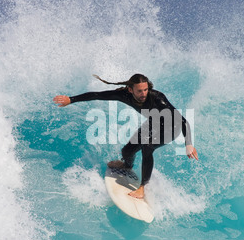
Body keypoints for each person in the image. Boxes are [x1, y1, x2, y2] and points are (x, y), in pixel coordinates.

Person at [53, 74, 198, 199]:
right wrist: (71, 99)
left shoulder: (158, 99)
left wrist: (188, 144)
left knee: (147, 147)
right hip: (153, 123)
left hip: (171, 128)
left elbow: (183, 121)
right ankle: (127, 166)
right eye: (140, 91)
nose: (143, 94)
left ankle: (143, 187)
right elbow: (98, 95)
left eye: (146, 90)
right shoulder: (124, 96)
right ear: (130, 90)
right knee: (127, 152)